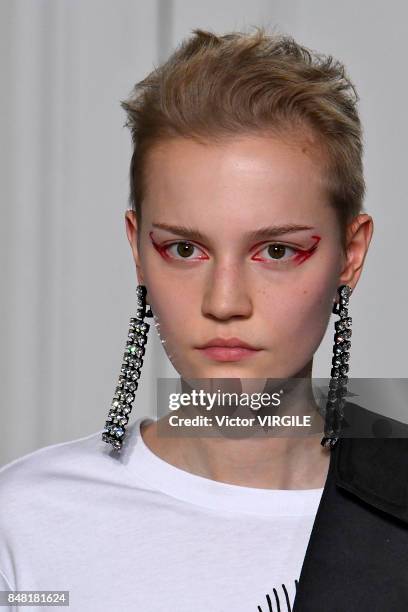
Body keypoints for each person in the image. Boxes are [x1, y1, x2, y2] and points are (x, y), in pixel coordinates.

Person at [1, 26, 407, 612]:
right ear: (137, 247)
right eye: (185, 250)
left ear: (352, 253)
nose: (224, 302)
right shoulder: (28, 521)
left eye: (276, 251)